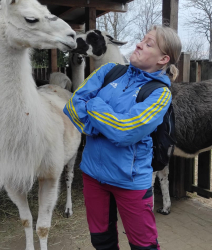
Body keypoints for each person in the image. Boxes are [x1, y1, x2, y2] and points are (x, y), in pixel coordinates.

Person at [63, 25, 182, 250]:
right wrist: (102, 127)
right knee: (101, 242)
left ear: (163, 59)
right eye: (142, 39)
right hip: (92, 176)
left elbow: (125, 131)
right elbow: (72, 105)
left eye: (149, 44)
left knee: (143, 245)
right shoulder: (108, 71)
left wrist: (94, 105)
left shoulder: (159, 94)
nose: (139, 44)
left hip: (130, 183)